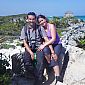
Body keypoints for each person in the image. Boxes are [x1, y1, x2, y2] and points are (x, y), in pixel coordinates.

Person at [20, 12, 51, 85]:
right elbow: (25, 43)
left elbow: (46, 39)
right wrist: (31, 53)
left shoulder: (40, 28)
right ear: (27, 19)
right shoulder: (24, 29)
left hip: (38, 48)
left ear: (35, 19)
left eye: (33, 19)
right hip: (29, 48)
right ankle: (35, 75)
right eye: (30, 19)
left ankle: (38, 81)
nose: (31, 21)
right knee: (26, 62)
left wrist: (51, 50)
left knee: (40, 64)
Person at [37, 15, 63, 84]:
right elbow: (43, 39)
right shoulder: (41, 29)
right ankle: (49, 65)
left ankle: (58, 77)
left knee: (54, 58)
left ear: (45, 19)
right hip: (49, 45)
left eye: (42, 20)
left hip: (56, 44)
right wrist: (45, 45)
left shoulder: (51, 26)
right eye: (40, 22)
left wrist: (44, 45)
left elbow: (53, 39)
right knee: (45, 52)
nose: (41, 22)